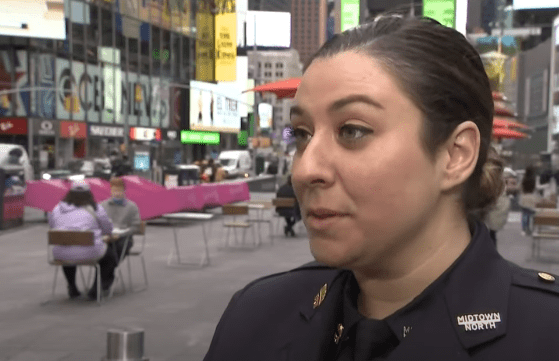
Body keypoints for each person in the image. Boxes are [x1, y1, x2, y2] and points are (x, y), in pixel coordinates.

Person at [203, 14, 559, 361]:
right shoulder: (255, 316)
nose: (305, 169)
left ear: (456, 155)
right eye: (302, 134)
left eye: (352, 131)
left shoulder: (545, 333)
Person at [48, 181, 117, 300]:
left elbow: (53, 226)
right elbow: (107, 229)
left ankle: (72, 286)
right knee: (110, 258)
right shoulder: (96, 208)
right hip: (90, 251)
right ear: (89, 194)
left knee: (68, 250)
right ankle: (96, 288)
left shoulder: (56, 208)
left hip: (61, 253)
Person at [101, 177, 141, 263]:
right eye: (114, 190)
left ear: (124, 191)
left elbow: (136, 226)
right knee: (101, 249)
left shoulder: (131, 206)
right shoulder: (103, 205)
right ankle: (106, 272)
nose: (117, 193)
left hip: (124, 237)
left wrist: (122, 234)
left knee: (120, 247)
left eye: (119, 191)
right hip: (107, 236)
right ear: (111, 191)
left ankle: (110, 269)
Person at [519, 166, 540, 236]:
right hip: (532, 198)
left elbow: (520, 188)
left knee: (525, 215)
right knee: (533, 215)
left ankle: (524, 229)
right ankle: (533, 230)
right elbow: (536, 188)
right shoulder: (534, 179)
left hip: (524, 197)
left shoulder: (523, 178)